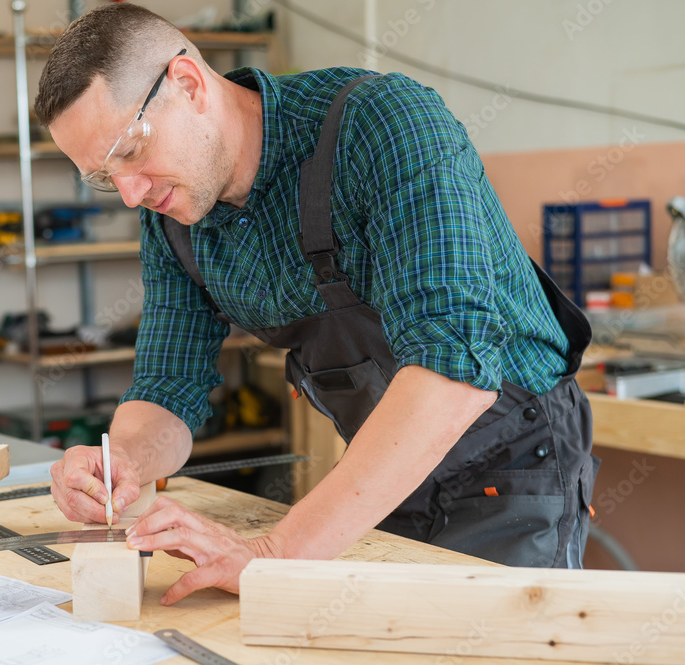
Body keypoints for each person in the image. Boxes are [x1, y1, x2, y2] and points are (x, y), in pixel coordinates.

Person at [34, 3, 597, 605]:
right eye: (101, 176)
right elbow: (166, 390)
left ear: (188, 84)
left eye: (129, 150)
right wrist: (120, 463)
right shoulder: (173, 213)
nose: (129, 193)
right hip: (378, 481)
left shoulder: (386, 127)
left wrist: (273, 553)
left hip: (512, 469)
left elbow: (452, 371)